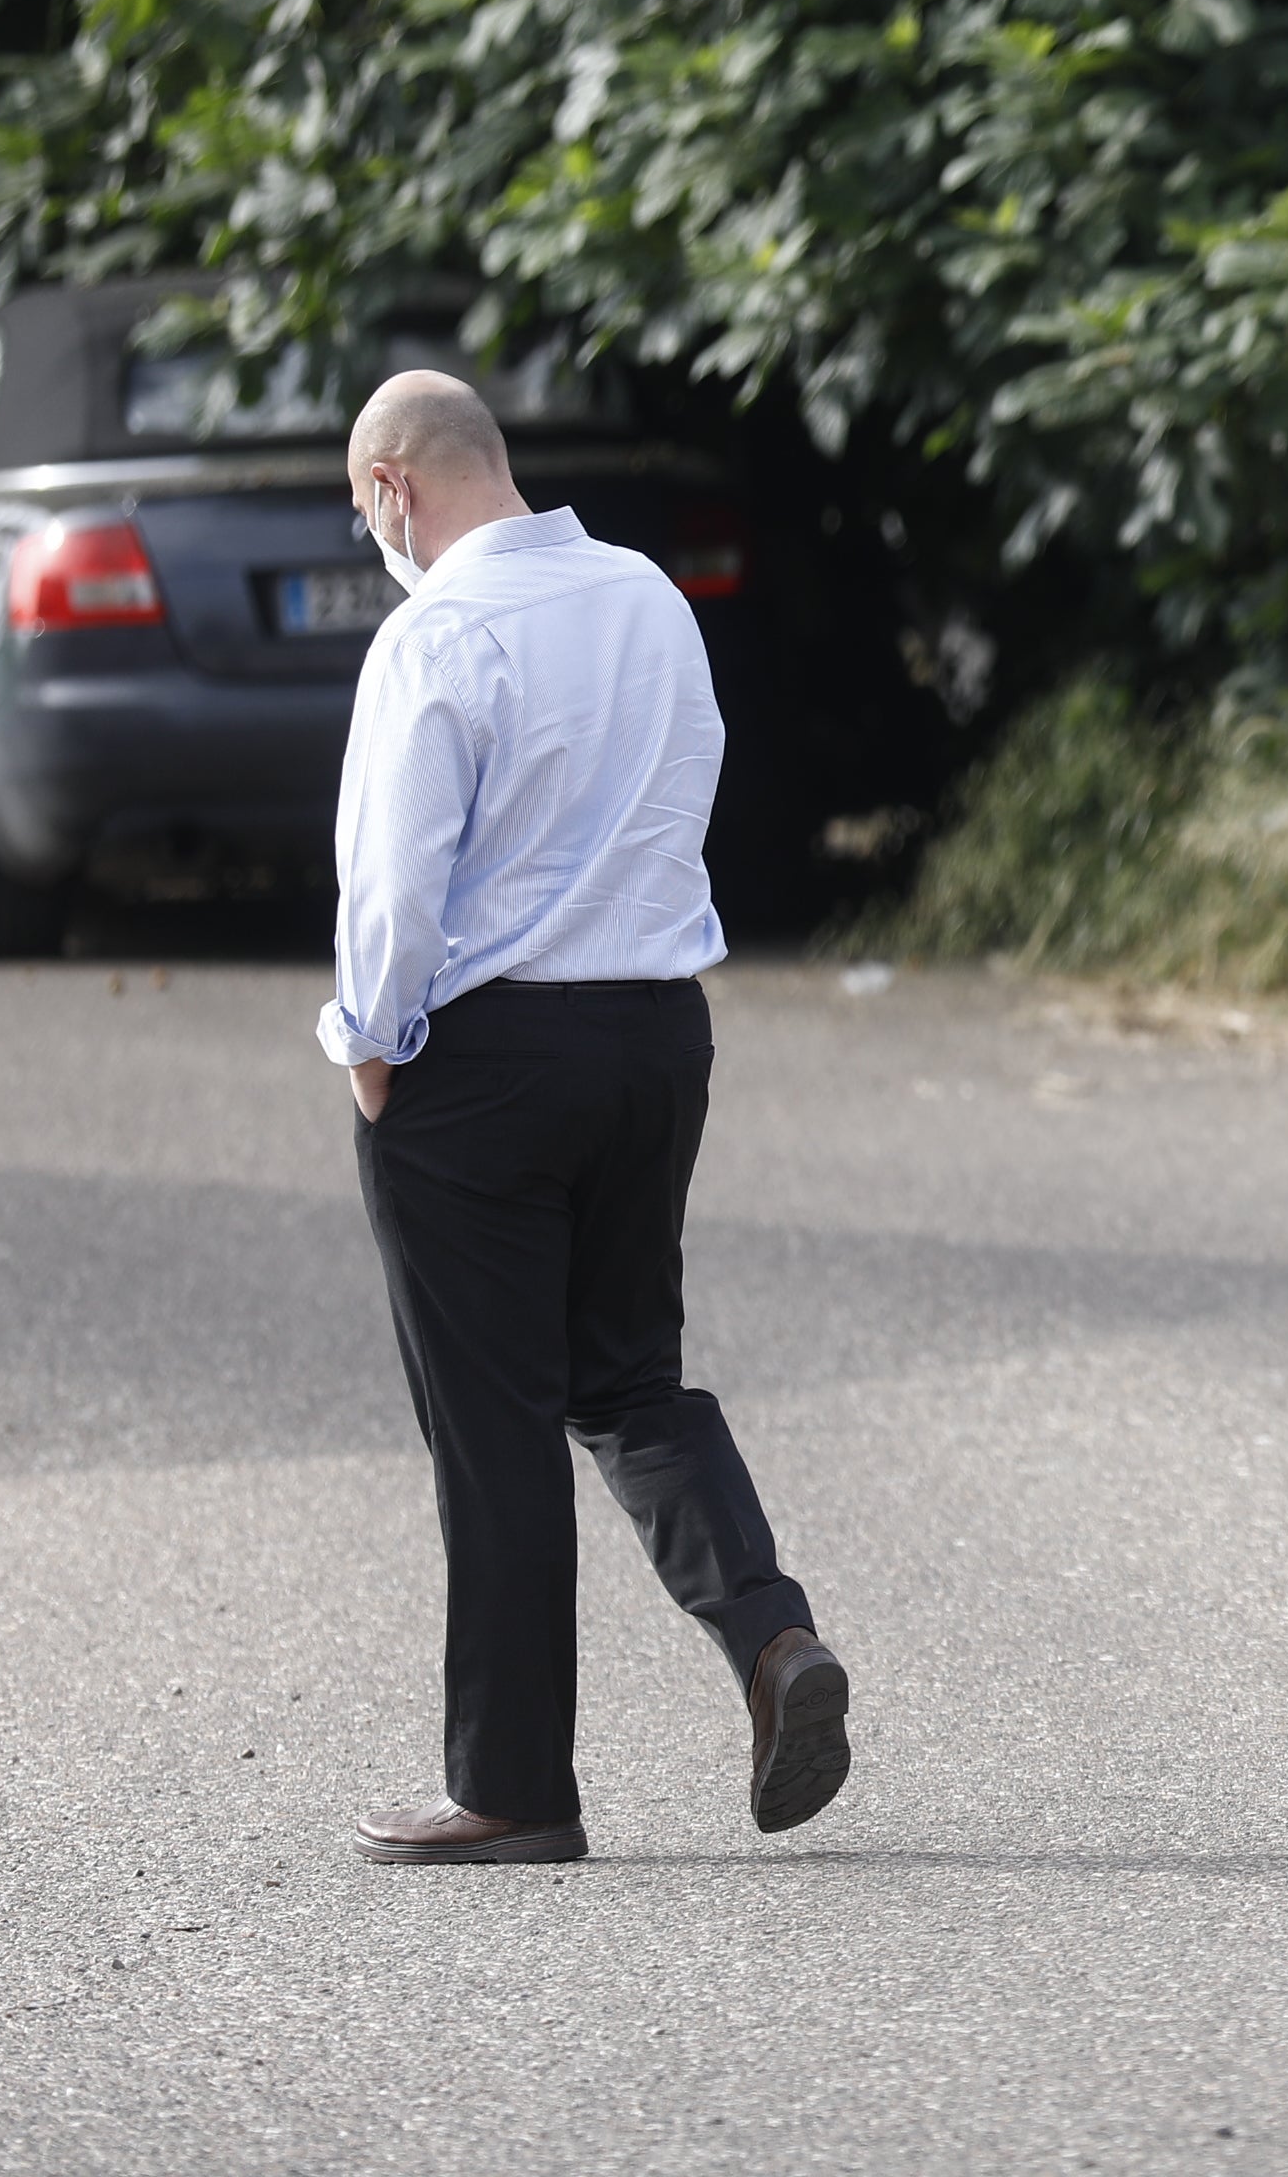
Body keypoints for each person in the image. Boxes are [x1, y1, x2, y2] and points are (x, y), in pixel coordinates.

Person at [320, 370, 849, 1864]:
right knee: (630, 1383)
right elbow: (690, 790)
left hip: (480, 1062)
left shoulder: (433, 636)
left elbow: (398, 885)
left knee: (492, 1428)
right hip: (653, 1033)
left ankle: (513, 1790)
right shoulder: (648, 598)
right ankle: (772, 1637)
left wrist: (368, 1048)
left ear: (393, 491)